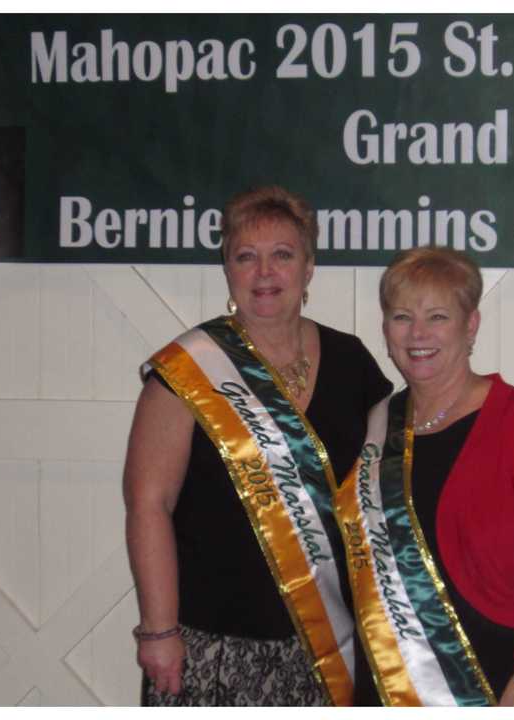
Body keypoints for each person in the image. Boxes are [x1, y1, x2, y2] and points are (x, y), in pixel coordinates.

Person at [123, 185, 392, 706]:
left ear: (309, 267)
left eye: (283, 256)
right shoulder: (188, 371)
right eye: (246, 257)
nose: (265, 273)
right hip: (210, 646)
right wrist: (158, 632)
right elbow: (147, 506)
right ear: (228, 269)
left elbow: (381, 494)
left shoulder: (351, 362)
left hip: (323, 647)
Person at [337, 247, 514, 707]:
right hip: (385, 674)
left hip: (486, 676)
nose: (418, 334)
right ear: (385, 329)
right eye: (402, 317)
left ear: (471, 325)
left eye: (438, 317)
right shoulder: (377, 423)